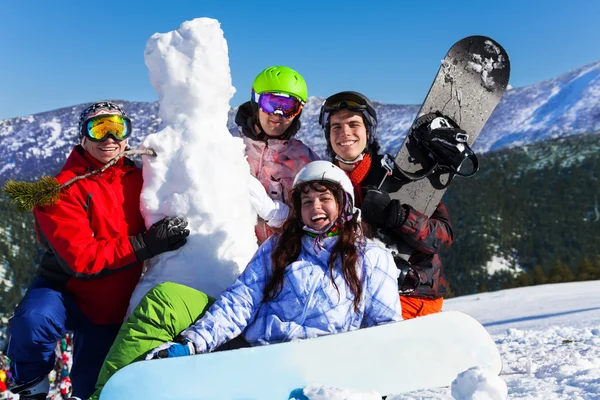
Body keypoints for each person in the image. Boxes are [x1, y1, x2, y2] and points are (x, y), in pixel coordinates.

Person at [88, 160, 401, 399]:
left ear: (343, 203)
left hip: (315, 364)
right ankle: (106, 395)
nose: (315, 207)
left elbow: (383, 331)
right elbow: (242, 299)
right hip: (255, 351)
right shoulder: (280, 247)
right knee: (167, 300)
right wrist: (193, 342)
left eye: (324, 198)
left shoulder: (371, 258)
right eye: (306, 202)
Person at [4, 101, 190, 399]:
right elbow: (82, 259)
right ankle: (32, 388)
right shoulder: (60, 190)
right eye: (98, 129)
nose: (109, 139)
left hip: (113, 302)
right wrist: (146, 244)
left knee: (96, 387)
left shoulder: (142, 179)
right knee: (33, 320)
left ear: (128, 136)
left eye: (117, 129)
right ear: (83, 137)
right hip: (66, 290)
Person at [318, 91, 454, 320]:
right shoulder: (322, 185)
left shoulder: (399, 175)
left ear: (368, 131)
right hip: (350, 295)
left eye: (354, 124)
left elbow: (442, 237)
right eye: (336, 127)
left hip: (412, 293)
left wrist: (399, 216)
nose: (345, 133)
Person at [236, 65, 319, 244]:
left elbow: (320, 217)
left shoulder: (304, 160)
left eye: (289, 107)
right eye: (271, 103)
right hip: (232, 257)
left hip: (285, 259)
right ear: (256, 101)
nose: (278, 114)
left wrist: (276, 213)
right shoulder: (232, 148)